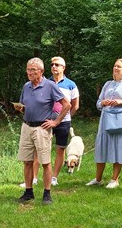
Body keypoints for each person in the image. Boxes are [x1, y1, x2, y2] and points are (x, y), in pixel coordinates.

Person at [15, 58, 70, 204]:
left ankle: (47, 194)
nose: (30, 72)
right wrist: (20, 108)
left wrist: (56, 122)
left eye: (33, 70)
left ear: (41, 71)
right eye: (28, 69)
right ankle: (28, 192)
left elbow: (67, 105)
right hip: (26, 126)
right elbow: (25, 104)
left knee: (45, 162)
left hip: (42, 128)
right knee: (27, 161)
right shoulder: (26, 86)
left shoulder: (50, 86)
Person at [22, 56, 80, 187]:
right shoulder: (46, 82)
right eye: (52, 64)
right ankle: (35, 178)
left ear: (63, 68)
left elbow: (74, 105)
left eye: (57, 65)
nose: (54, 66)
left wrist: (64, 118)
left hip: (63, 122)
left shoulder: (71, 84)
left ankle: (54, 177)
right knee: (39, 149)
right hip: (45, 121)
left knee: (60, 149)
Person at [86, 58, 122, 189]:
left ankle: (114, 179)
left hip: (121, 119)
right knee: (102, 146)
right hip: (106, 119)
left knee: (118, 147)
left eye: (119, 67)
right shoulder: (108, 84)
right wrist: (103, 103)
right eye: (115, 66)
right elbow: (98, 103)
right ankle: (98, 179)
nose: (116, 68)